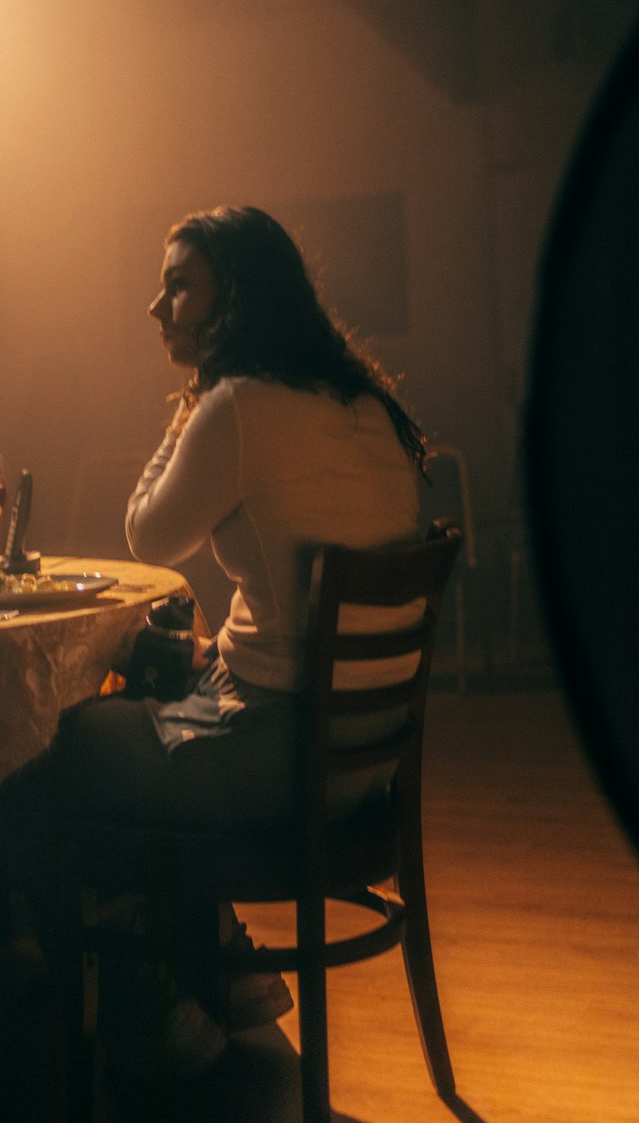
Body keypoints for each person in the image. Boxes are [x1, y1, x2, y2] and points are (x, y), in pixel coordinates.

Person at [53, 205, 434, 1073]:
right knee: (165, 696)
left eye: (178, 285)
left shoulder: (238, 405)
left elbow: (148, 535)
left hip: (278, 755)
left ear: (235, 300)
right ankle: (221, 975)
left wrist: (191, 405)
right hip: (365, 761)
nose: (157, 309)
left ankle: (158, 1005)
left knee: (57, 743)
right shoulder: (366, 403)